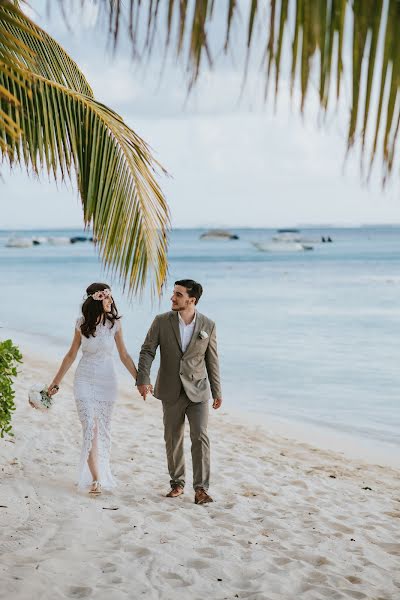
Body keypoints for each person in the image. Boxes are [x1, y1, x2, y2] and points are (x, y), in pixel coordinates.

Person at [44, 283, 138, 495]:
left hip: (107, 381)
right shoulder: (81, 324)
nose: (110, 301)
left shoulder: (115, 324)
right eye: (106, 298)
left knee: (102, 429)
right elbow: (70, 355)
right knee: (89, 427)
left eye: (110, 298)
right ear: (95, 300)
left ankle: (101, 474)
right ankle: (95, 478)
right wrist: (55, 382)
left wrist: (139, 380)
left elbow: (124, 355)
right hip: (84, 379)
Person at [136, 279, 223, 505]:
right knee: (173, 438)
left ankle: (201, 489)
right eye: (173, 293)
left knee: (200, 437)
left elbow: (212, 360)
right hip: (170, 388)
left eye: (177, 294)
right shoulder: (161, 321)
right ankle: (177, 483)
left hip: (199, 390)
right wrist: (142, 379)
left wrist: (217, 391)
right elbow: (147, 351)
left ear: (191, 300)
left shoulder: (208, 325)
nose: (172, 298)